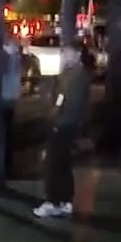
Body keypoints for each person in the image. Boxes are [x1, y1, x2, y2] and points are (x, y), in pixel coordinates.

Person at [33, 45, 95, 219]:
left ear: (76, 55)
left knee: (53, 163)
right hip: (68, 124)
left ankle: (54, 201)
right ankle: (65, 200)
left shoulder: (75, 76)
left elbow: (66, 101)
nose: (63, 56)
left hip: (64, 125)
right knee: (63, 163)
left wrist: (57, 119)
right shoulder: (75, 74)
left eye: (66, 53)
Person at [0, 33, 23, 179]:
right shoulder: (16, 57)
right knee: (8, 135)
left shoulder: (7, 58)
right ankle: (8, 167)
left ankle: (5, 167)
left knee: (3, 135)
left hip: (4, 98)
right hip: (10, 99)